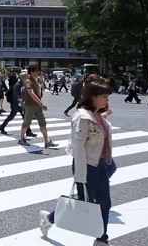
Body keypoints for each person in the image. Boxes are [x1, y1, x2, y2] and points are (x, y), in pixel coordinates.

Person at [39, 75, 114, 245]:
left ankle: (102, 240)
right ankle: (49, 218)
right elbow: (78, 149)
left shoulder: (98, 116)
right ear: (92, 97)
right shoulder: (82, 117)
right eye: (104, 96)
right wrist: (80, 176)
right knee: (82, 202)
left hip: (101, 165)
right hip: (87, 166)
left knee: (105, 203)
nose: (107, 99)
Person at [19, 65, 57, 148]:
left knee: (43, 122)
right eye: (36, 71)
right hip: (30, 105)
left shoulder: (37, 81)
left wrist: (41, 103)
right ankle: (21, 139)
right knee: (27, 122)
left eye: (38, 71)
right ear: (31, 72)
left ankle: (47, 141)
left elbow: (39, 94)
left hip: (37, 105)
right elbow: (32, 94)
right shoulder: (28, 81)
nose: (38, 73)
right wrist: (41, 104)